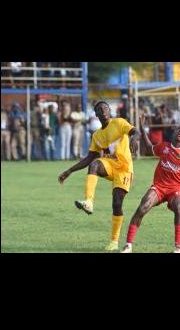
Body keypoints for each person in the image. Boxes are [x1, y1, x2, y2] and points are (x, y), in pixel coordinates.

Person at [121, 114, 180, 254]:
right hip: (159, 187)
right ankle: (128, 245)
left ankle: (178, 247)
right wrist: (141, 127)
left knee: (178, 207)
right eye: (178, 129)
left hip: (177, 188)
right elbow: (148, 148)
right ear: (174, 132)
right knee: (142, 207)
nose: (179, 131)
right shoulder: (164, 146)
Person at [58, 101, 141, 251]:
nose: (103, 111)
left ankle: (114, 242)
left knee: (116, 204)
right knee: (95, 164)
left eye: (105, 108)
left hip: (124, 169)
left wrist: (134, 139)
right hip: (109, 166)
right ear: (96, 115)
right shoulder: (97, 135)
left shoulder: (119, 122)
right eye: (99, 109)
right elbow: (89, 158)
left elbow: (136, 132)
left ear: (110, 110)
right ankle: (89, 202)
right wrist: (69, 171)